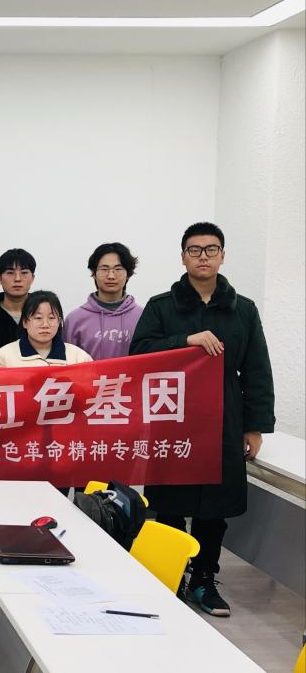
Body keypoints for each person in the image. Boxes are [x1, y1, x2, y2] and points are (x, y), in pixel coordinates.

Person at [131, 222, 273, 617]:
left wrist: (254, 426)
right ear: (183, 257)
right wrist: (185, 341)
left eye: (211, 249)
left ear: (222, 255)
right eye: (194, 250)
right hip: (173, 417)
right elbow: (139, 353)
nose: (203, 257)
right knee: (170, 503)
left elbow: (257, 370)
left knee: (214, 507)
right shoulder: (161, 306)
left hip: (224, 418)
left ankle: (205, 579)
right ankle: (171, 572)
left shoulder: (243, 309)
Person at [65, 242, 144, 360]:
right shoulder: (75, 319)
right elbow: (67, 362)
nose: (111, 276)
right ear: (93, 273)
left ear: (128, 274)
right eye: (104, 269)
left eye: (118, 269)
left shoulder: (143, 316)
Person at [0, 290, 94, 367]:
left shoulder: (79, 358)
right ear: (25, 322)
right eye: (38, 318)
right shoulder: (3, 357)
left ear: (59, 322)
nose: (45, 324)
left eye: (51, 318)